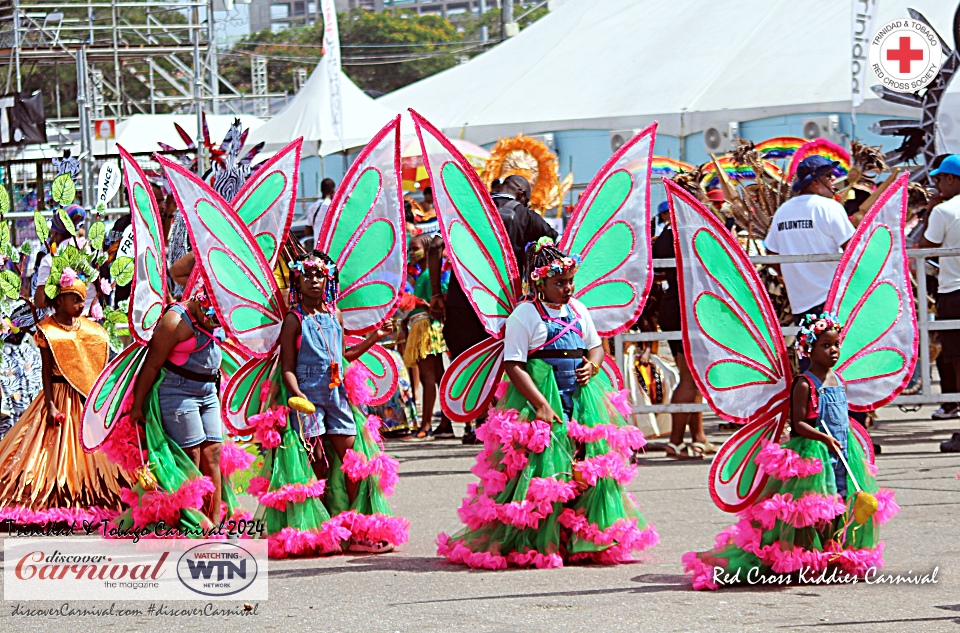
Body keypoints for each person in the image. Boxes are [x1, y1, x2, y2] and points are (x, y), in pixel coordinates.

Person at [437, 238, 657, 568]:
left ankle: (582, 538)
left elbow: (595, 346)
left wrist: (593, 364)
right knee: (544, 472)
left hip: (582, 397)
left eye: (570, 282)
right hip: (540, 398)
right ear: (540, 282)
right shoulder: (524, 315)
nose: (567, 288)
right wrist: (539, 403)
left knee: (585, 464)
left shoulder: (579, 309)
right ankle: (539, 539)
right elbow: (514, 364)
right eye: (559, 283)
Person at [682, 314, 898, 589]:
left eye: (836, 344)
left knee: (841, 500)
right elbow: (798, 424)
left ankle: (831, 555)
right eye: (825, 346)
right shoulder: (805, 384)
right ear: (809, 349)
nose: (833, 351)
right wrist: (823, 438)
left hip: (842, 451)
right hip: (812, 454)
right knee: (811, 507)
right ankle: (803, 558)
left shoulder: (838, 380)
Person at [280, 251, 404, 553]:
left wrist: (374, 337)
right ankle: (322, 531)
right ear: (298, 280)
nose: (313, 280)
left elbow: (342, 356)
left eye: (319, 275)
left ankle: (354, 528)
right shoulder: (294, 320)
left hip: (337, 393)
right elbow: (286, 366)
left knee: (353, 461)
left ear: (329, 279)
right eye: (307, 275)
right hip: (307, 396)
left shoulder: (335, 315)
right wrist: (298, 396)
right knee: (317, 465)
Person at [429, 174, 557, 443]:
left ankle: (476, 423)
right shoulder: (526, 215)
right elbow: (553, 247)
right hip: (502, 304)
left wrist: (436, 293)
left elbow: (435, 245)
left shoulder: (469, 210)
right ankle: (497, 425)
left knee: (468, 359)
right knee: (505, 361)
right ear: (522, 193)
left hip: (461, 299)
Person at [0, 276, 129, 526]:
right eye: (76, 300)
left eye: (83, 300)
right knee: (48, 450)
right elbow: (46, 373)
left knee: (91, 453)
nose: (81, 305)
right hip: (57, 399)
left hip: (84, 402)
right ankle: (51, 493)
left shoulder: (92, 332)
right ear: (60, 301)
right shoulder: (47, 331)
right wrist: (49, 404)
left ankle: (91, 492)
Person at [127, 291, 226, 521]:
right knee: (190, 455)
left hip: (208, 391)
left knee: (213, 455)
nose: (214, 325)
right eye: (211, 317)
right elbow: (151, 366)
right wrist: (137, 405)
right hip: (177, 391)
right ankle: (191, 521)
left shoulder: (219, 312)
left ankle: (215, 522)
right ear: (201, 303)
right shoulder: (174, 321)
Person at [652, 202, 714, 459]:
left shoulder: (669, 231)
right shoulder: (686, 229)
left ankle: (698, 437)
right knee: (691, 375)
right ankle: (676, 442)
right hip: (686, 306)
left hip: (675, 306)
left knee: (692, 374)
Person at [764, 156, 855, 323]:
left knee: (808, 349)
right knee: (837, 348)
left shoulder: (783, 210)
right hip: (832, 300)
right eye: (828, 175)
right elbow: (855, 248)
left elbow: (770, 252)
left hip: (799, 303)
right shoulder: (830, 207)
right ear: (814, 182)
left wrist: (791, 277)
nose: (833, 178)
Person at [918, 154, 960, 451]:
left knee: (957, 361)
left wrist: (931, 209)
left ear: (953, 179)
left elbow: (924, 247)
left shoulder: (944, 211)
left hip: (954, 292)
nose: (937, 184)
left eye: (941, 178)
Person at [402, 243, 453, 440]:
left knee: (428, 378)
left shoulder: (430, 275)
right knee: (439, 377)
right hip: (419, 325)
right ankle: (446, 422)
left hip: (426, 328)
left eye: (415, 248)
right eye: (410, 249)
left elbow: (438, 297)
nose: (411, 253)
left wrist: (419, 303)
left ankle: (426, 425)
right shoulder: (423, 274)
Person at [34, 205, 96, 315]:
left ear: (55, 232)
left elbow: (41, 301)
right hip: (93, 319)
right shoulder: (91, 251)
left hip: (65, 325)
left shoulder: (50, 260)